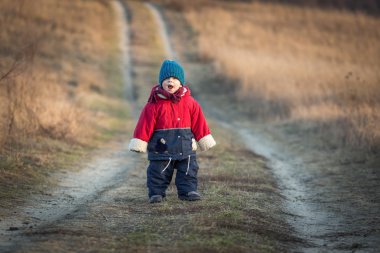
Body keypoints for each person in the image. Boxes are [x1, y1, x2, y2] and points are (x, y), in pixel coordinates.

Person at [128, 59, 216, 203]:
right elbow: (145, 124)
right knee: (158, 172)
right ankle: (156, 193)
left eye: (175, 78)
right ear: (161, 82)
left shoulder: (190, 102)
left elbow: (199, 122)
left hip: (185, 147)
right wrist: (140, 141)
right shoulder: (154, 104)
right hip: (161, 149)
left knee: (188, 171)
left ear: (181, 83)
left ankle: (188, 191)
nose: (171, 81)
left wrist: (204, 138)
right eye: (167, 78)